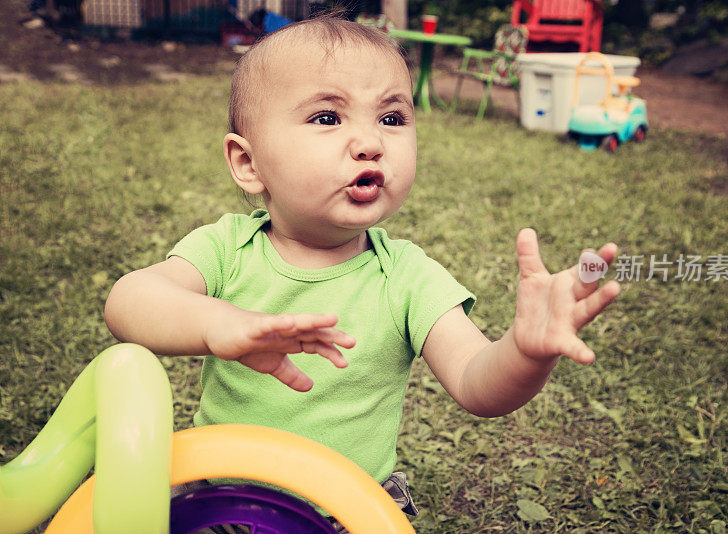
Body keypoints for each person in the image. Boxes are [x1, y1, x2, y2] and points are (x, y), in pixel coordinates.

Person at [104, 14, 620, 532]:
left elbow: (476, 384)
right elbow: (129, 302)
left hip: (348, 511)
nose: (370, 142)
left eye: (392, 119)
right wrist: (216, 323)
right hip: (221, 503)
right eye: (328, 118)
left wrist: (525, 352)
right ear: (248, 163)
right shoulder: (226, 249)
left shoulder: (408, 277)